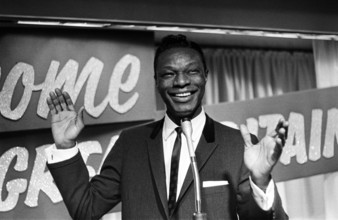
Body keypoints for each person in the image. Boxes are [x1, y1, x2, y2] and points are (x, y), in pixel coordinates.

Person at [46, 34, 289, 220]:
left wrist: (260, 181)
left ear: (205, 75)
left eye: (192, 71)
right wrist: (65, 145)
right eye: (169, 74)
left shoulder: (237, 145)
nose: (181, 82)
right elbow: (86, 209)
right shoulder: (131, 143)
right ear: (156, 81)